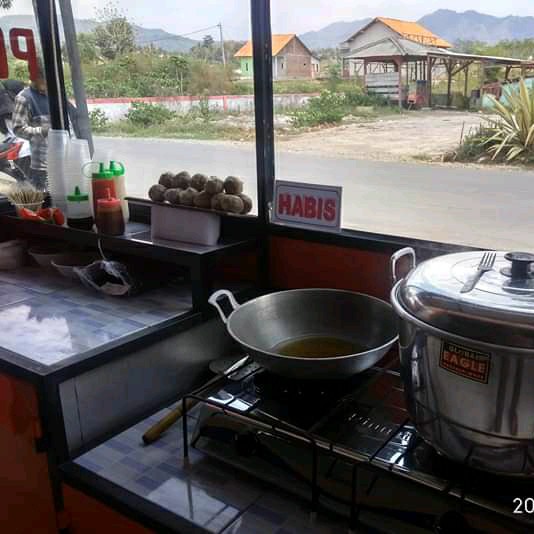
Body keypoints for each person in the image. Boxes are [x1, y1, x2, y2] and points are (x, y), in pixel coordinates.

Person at [12, 62, 50, 190]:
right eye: (41, 76)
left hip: (64, 160)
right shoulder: (24, 98)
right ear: (33, 76)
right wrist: (42, 131)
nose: (45, 79)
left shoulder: (56, 94)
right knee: (46, 201)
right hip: (42, 167)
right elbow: (18, 129)